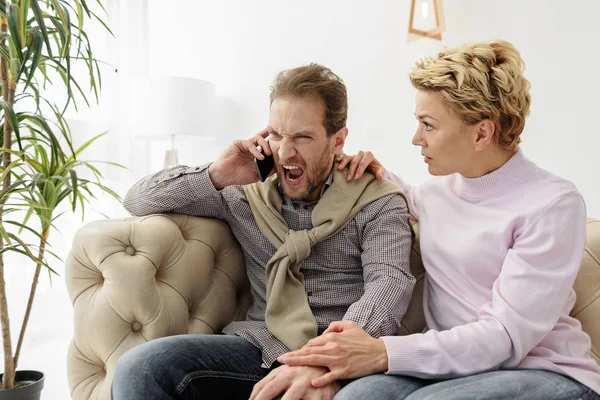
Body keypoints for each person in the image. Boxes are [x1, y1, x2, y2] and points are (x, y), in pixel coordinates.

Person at [251, 41, 600, 399]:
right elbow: (392, 195)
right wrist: (370, 169)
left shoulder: (553, 203)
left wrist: (384, 353)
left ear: (481, 133)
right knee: (356, 396)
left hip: (547, 373)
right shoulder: (436, 193)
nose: (416, 138)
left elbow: (506, 337)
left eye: (429, 125)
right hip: (456, 372)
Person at [111, 63, 415, 399]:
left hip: (345, 360)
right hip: (261, 348)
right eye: (276, 134)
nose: (285, 151)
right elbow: (137, 199)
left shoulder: (375, 199)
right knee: (140, 368)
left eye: (302, 136)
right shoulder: (245, 193)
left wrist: (325, 357)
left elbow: (389, 282)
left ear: (338, 141)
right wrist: (218, 173)